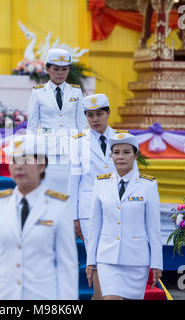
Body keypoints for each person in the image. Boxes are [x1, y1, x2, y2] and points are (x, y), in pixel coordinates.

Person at [0, 135, 78, 300]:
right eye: (14, 161)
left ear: (41, 165)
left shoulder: (59, 206)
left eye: (26, 160)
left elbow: (66, 265)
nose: (19, 167)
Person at [86, 132, 163, 300]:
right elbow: (94, 226)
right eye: (116, 152)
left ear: (135, 155)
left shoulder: (148, 185)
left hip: (136, 259)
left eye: (126, 152)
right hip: (107, 258)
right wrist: (90, 260)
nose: (120, 157)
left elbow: (154, 228)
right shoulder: (101, 183)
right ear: (111, 155)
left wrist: (157, 262)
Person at [68, 93, 116, 300]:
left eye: (99, 114)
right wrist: (74, 216)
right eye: (90, 115)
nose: (95, 119)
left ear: (108, 113)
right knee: (95, 257)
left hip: (116, 207)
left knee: (111, 256)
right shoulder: (78, 142)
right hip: (88, 210)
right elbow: (74, 182)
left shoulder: (121, 139)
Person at [27, 48, 87, 194]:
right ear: (47, 69)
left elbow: (81, 124)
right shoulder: (38, 92)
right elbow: (32, 127)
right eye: (56, 69)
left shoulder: (76, 92)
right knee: (49, 190)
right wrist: (34, 155)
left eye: (64, 69)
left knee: (71, 191)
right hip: (48, 151)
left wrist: (83, 151)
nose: (60, 73)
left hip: (72, 150)